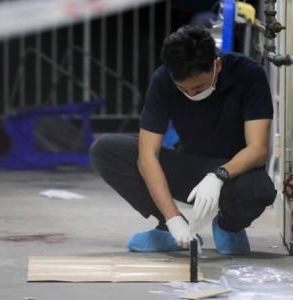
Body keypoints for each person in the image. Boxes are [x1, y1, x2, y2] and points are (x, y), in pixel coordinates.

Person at [90, 25, 277, 255]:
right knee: (106, 149)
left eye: (198, 87)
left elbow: (258, 150)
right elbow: (147, 156)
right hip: (189, 165)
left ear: (216, 65)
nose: (191, 94)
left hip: (234, 172)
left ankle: (229, 226)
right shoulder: (162, 80)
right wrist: (172, 219)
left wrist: (219, 175)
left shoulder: (249, 74)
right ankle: (170, 231)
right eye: (183, 90)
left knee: (259, 190)